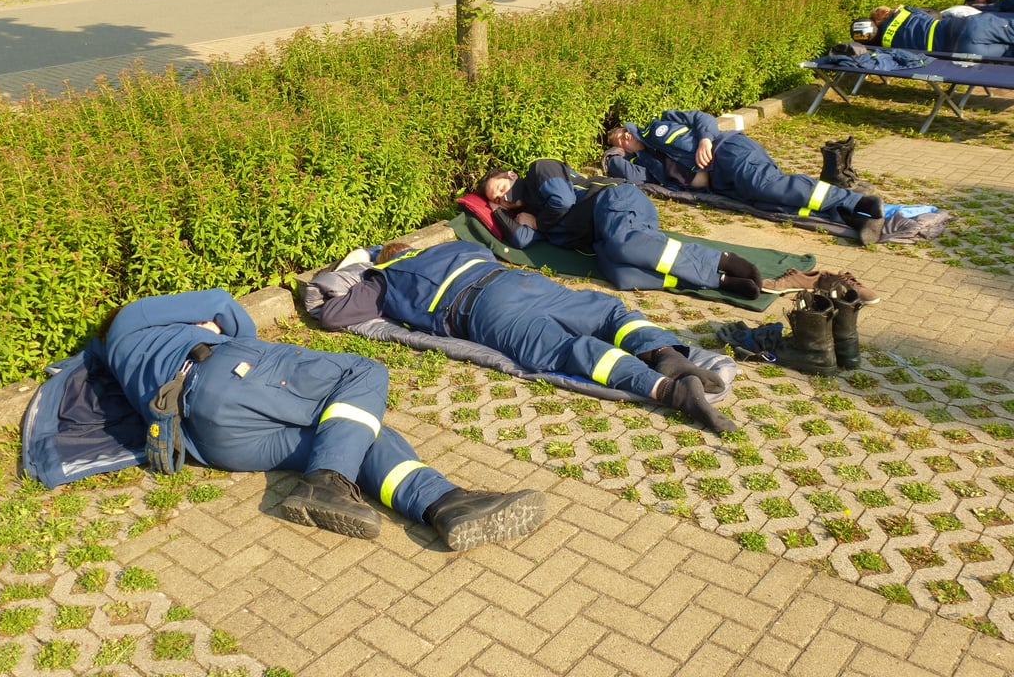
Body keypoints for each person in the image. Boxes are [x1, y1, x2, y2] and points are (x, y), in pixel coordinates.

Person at [102, 288, 546, 551]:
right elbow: (220, 303)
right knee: (362, 373)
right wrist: (225, 333)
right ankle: (325, 483)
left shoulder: (121, 359)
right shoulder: (130, 316)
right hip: (222, 374)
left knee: (351, 432)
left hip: (210, 442)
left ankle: (443, 504)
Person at [311, 240, 738, 434]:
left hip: (484, 309)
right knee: (610, 313)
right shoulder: (455, 245)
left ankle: (671, 391)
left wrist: (361, 268)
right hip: (519, 281)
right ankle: (663, 350)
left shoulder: (385, 277)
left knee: (569, 351)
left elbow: (331, 313)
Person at [476, 158, 765, 299]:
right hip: (603, 234)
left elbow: (562, 201)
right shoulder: (528, 212)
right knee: (621, 274)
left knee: (624, 244)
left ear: (511, 175)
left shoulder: (539, 170)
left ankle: (721, 260)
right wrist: (495, 211)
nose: (503, 196)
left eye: (501, 188)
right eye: (498, 199)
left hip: (615, 201)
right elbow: (522, 240)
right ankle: (718, 282)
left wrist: (539, 221)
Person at [603, 110, 886, 245]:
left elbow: (702, 119)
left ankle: (861, 201)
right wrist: (613, 156)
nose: (624, 142)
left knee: (768, 186)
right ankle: (849, 214)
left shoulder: (658, 127)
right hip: (721, 181)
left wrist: (705, 141)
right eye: (620, 143)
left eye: (623, 136)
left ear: (630, 132)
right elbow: (627, 172)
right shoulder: (646, 162)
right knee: (769, 201)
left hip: (728, 152)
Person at [861, 4, 1014, 58]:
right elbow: (934, 13)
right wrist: (901, 9)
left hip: (963, 50)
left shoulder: (887, 44)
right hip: (965, 27)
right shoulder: (905, 12)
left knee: (1009, 52)